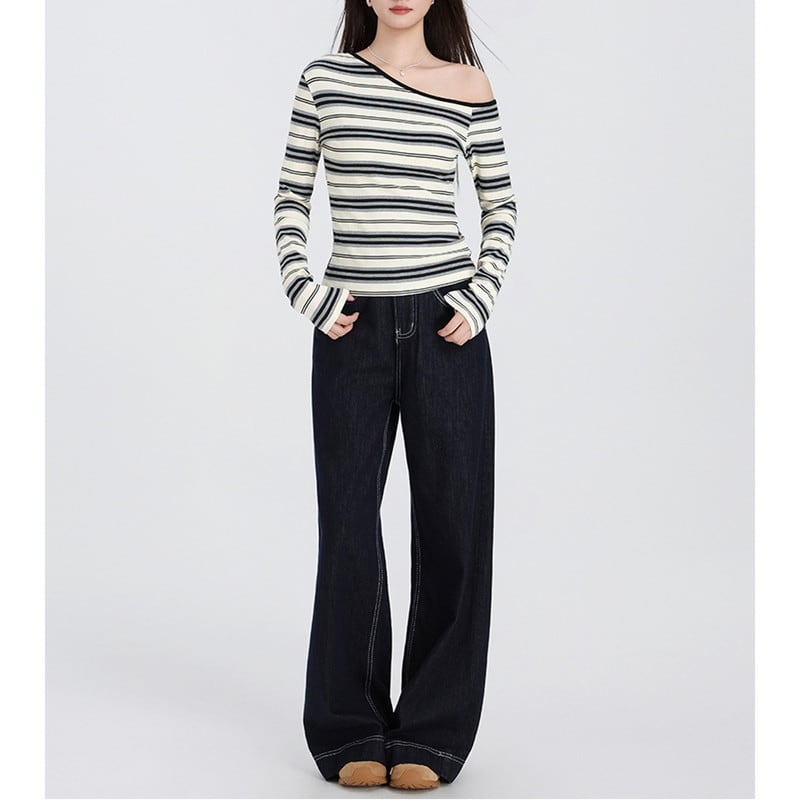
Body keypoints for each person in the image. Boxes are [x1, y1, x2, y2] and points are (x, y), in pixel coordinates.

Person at [272, 0, 517, 789]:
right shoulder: (324, 80)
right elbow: (290, 202)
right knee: (348, 525)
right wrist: (306, 291)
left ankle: (432, 736)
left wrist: (479, 297)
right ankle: (349, 726)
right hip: (351, 327)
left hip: (449, 326)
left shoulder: (468, 86)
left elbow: (501, 206)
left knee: (454, 527)